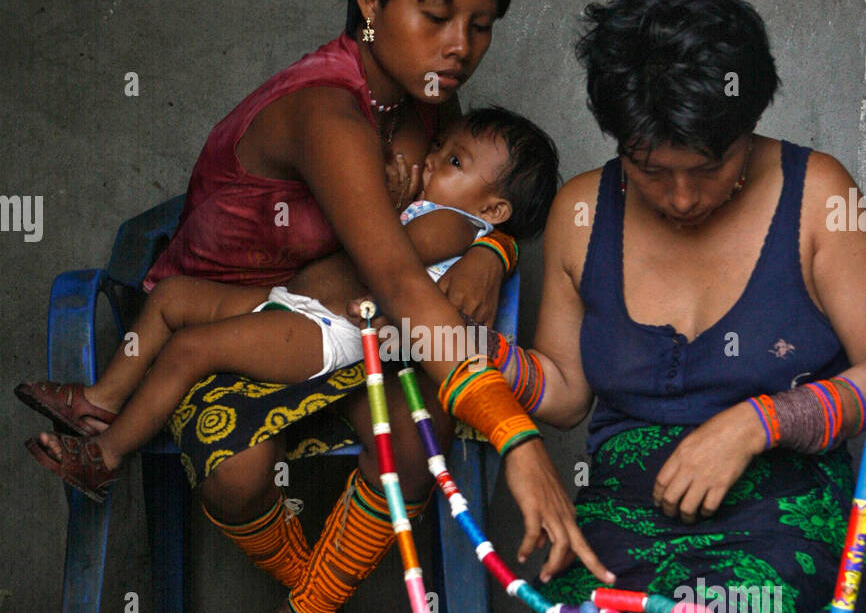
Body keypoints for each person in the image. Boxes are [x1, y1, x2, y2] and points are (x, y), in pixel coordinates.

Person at [297, 0, 866, 613]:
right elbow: (561, 390)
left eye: (709, 168)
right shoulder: (574, 216)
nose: (682, 196)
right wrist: (491, 359)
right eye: (653, 171)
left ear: (749, 120)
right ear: (616, 140)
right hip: (620, 500)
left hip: (779, 505)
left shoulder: (821, 198)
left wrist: (763, 418)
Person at [18, 0, 612, 613]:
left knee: (417, 433)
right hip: (255, 318)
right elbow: (407, 281)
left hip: (353, 332)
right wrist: (516, 435)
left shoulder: (427, 109)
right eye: (438, 15)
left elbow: (465, 221)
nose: (459, 47)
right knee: (236, 468)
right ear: (371, 5)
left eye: (481, 26)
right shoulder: (327, 112)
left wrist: (497, 256)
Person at [18, 107, 559, 505]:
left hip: (327, 331)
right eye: (442, 148)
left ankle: (104, 457)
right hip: (294, 301)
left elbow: (393, 259)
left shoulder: (453, 221)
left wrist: (388, 209)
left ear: (493, 208)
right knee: (173, 297)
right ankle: (99, 400)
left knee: (190, 347)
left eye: (454, 161)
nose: (433, 161)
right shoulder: (421, 189)